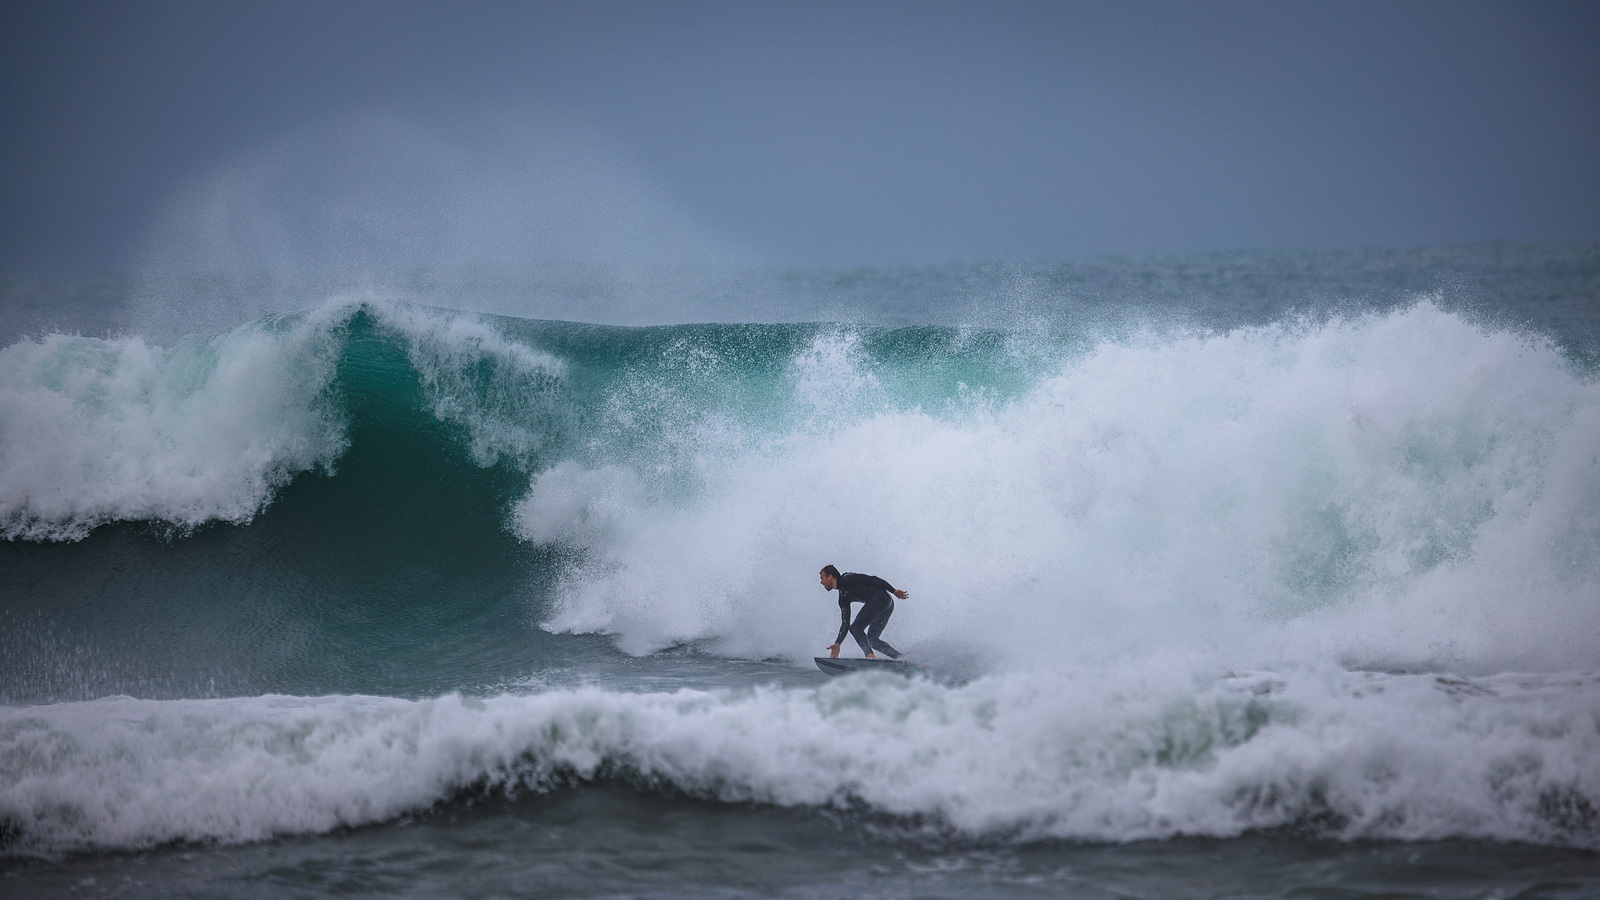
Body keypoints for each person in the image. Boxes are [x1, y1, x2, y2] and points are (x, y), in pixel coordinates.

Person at [820, 564, 909, 659]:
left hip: (881, 598)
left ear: (830, 577)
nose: (821, 582)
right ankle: (901, 659)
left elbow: (873, 579)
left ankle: (869, 655)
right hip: (886, 604)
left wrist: (893, 590)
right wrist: (838, 643)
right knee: (872, 640)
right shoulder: (843, 598)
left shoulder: (847, 578)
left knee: (855, 628)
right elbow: (845, 623)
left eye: (822, 578)